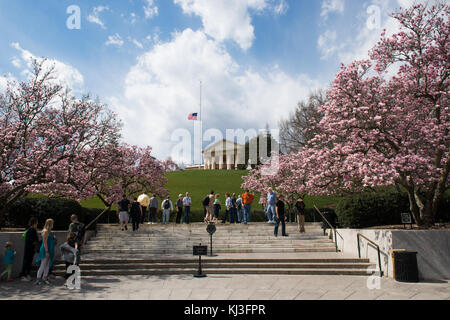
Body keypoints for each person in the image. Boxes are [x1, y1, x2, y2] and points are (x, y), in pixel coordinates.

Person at [35, 219, 55, 285]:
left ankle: (45, 278)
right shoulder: (45, 231)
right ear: (50, 223)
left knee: (47, 265)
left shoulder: (49, 231)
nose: (53, 225)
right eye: (52, 223)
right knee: (43, 264)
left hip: (50, 249)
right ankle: (38, 279)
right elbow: (45, 242)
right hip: (45, 249)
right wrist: (46, 251)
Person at [20, 217, 39, 282]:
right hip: (30, 248)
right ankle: (24, 275)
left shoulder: (29, 229)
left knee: (27, 261)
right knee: (27, 261)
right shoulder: (32, 229)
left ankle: (26, 274)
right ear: (35, 222)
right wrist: (36, 242)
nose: (37, 223)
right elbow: (31, 239)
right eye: (37, 221)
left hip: (29, 248)